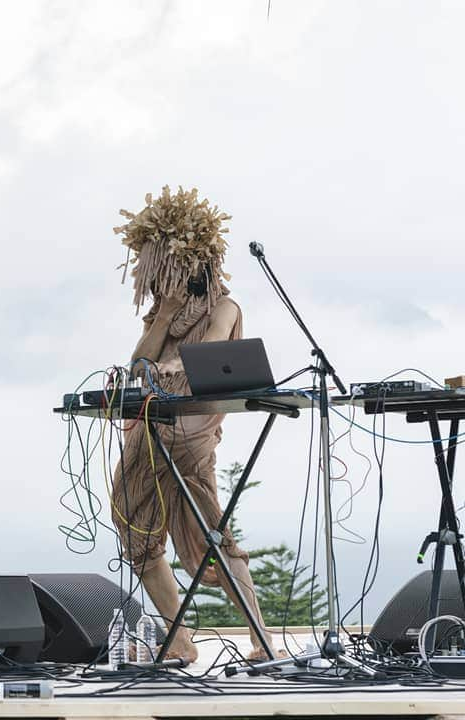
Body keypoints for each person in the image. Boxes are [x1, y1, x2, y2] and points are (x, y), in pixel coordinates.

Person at [110, 187, 280, 663]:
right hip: (153, 426)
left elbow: (202, 361)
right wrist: (162, 316)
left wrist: (163, 369)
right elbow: (138, 362)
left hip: (189, 430)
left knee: (210, 534)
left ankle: (262, 640)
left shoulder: (223, 307)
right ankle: (179, 640)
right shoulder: (162, 314)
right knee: (135, 527)